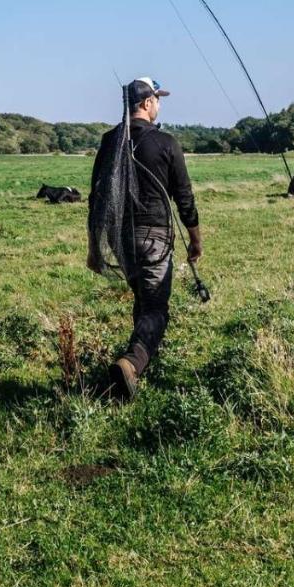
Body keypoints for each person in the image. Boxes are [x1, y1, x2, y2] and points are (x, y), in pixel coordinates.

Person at [87, 77, 202, 401]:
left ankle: (132, 376)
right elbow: (185, 197)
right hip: (153, 238)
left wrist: (94, 248)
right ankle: (130, 363)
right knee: (156, 310)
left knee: (142, 301)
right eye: (158, 99)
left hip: (120, 240)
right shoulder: (166, 142)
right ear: (147, 103)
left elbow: (96, 198)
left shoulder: (110, 141)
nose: (159, 105)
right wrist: (196, 240)